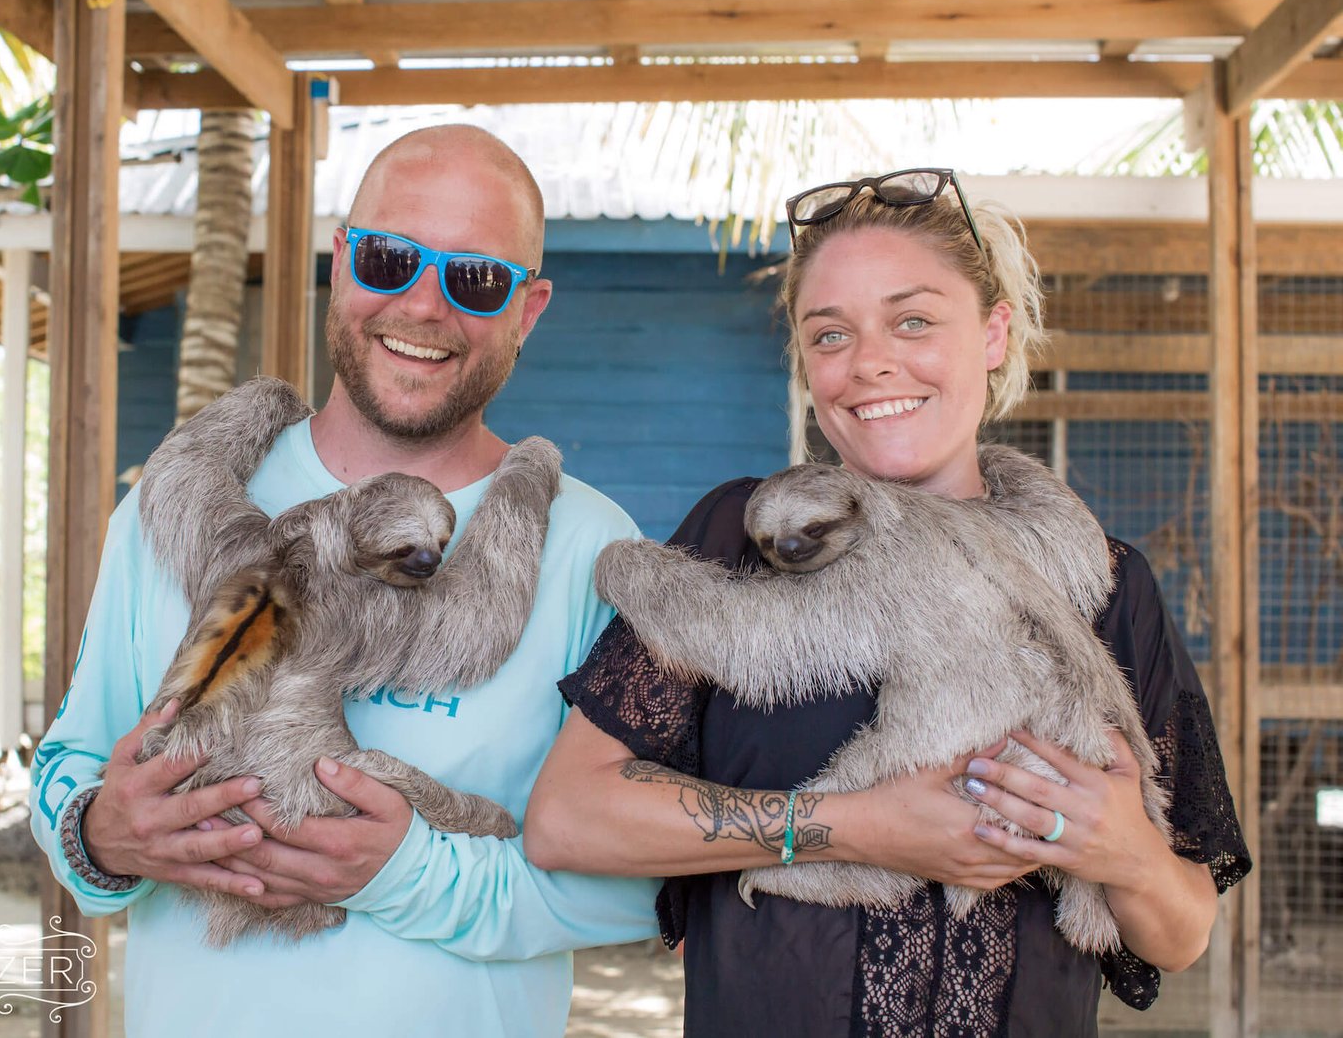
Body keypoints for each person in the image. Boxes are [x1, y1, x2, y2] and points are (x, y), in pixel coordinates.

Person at [525, 167, 1251, 1037]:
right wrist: (859, 826)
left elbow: (1181, 932)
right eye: (830, 335)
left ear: (993, 333)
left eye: (913, 320)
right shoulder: (741, 535)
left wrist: (1122, 847)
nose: (871, 362)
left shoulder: (1102, 574)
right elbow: (567, 818)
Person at [29, 124, 659, 1038]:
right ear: (341, 261)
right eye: (391, 257)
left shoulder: (590, 548)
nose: (425, 305)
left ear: (529, 308)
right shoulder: (171, 514)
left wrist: (409, 873)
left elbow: (644, 889)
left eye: (475, 278)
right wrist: (97, 837)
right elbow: (65, 774)